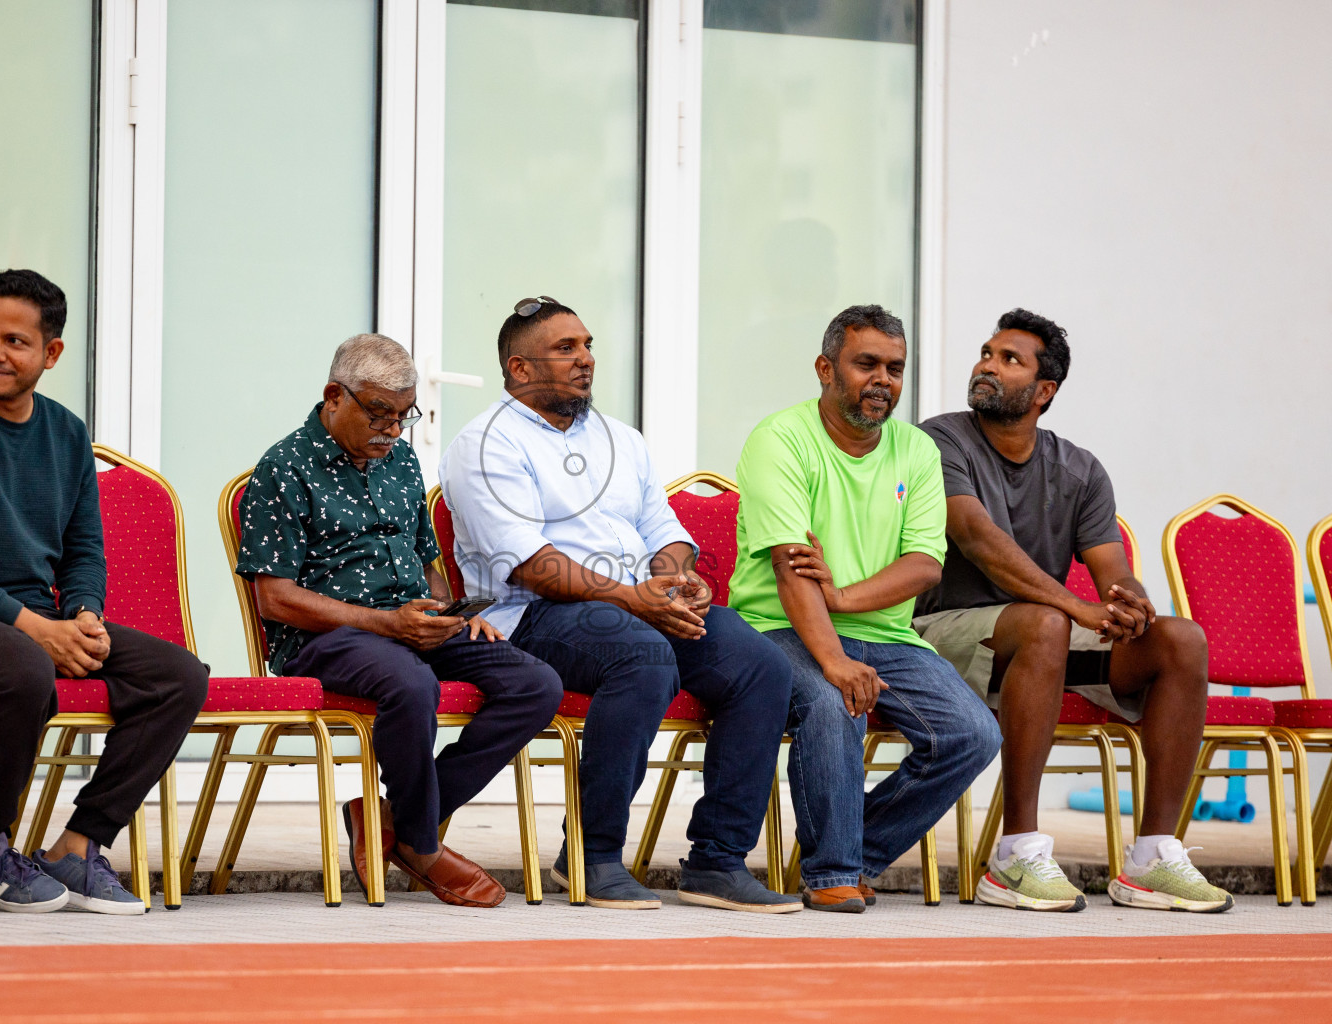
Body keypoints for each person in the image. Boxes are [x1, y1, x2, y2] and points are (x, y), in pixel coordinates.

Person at [440, 297, 800, 914]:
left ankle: (716, 861)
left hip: (637, 605)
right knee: (642, 658)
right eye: (566, 349)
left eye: (587, 345)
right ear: (519, 369)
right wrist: (636, 599)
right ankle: (592, 854)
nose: (586, 360)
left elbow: (664, 529)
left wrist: (677, 579)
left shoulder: (620, 440)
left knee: (762, 666)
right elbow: (534, 566)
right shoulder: (485, 447)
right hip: (531, 616)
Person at [0, 269, 209, 914]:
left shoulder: (65, 432)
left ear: (51, 353)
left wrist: (84, 617)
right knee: (26, 669)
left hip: (39, 619)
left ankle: (80, 843)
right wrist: (40, 631)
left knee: (179, 675)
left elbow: (84, 549)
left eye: (14, 340)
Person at [912, 308, 1232, 912]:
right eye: (986, 352)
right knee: (1047, 622)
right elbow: (978, 539)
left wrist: (1129, 607)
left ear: (1044, 390)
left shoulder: (1079, 468)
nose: (988, 364)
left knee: (1180, 640)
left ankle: (1153, 858)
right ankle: (1015, 855)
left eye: (1010, 359)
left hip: (1044, 639)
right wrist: (1076, 608)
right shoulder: (939, 439)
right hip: (936, 634)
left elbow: (1112, 571)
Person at [235, 333, 562, 908]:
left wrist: (452, 615)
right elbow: (275, 598)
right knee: (412, 685)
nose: (393, 430)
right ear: (334, 396)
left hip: (413, 626)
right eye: (380, 414)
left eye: (403, 415)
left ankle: (392, 816)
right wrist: (387, 625)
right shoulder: (283, 468)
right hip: (325, 638)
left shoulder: (402, 460)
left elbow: (424, 559)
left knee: (535, 684)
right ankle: (419, 844)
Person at [731, 304, 1002, 913]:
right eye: (866, 364)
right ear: (826, 368)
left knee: (972, 734)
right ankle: (832, 871)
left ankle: (851, 849)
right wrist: (832, 656)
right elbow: (790, 566)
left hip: (885, 633)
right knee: (834, 700)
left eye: (895, 368)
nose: (883, 380)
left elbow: (925, 564)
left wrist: (844, 597)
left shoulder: (916, 450)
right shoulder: (780, 438)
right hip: (777, 627)